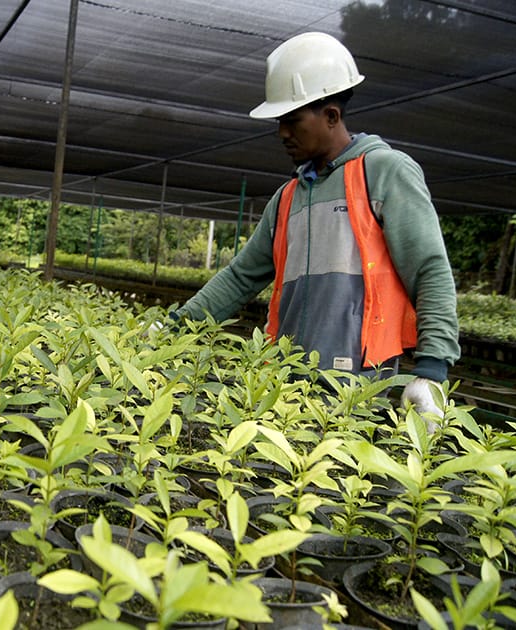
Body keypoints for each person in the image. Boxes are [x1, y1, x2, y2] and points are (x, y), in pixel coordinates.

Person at [160, 32, 460, 423]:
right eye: (279, 121)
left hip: (358, 386)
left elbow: (430, 269)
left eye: (292, 120)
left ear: (331, 116)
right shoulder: (287, 197)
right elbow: (240, 278)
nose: (282, 132)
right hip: (284, 385)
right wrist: (172, 329)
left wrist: (432, 368)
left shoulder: (384, 172)